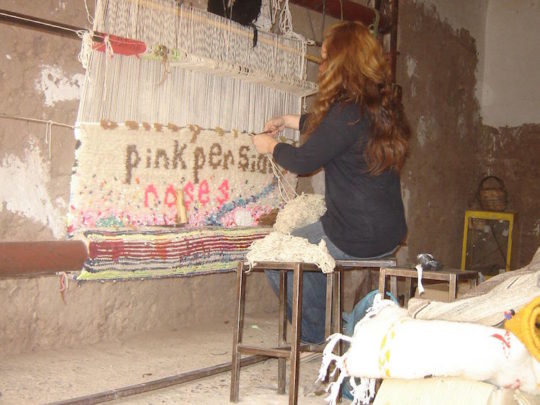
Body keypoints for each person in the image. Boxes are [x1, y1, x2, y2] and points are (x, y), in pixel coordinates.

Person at [251, 21, 410, 344]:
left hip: (355, 235)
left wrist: (270, 146)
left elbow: (304, 161)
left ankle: (318, 336)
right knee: (304, 245)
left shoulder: (346, 112)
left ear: (340, 63)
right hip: (390, 233)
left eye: (325, 58)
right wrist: (288, 121)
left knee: (279, 254)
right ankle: (340, 325)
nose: (321, 65)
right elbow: (332, 132)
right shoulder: (380, 107)